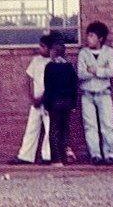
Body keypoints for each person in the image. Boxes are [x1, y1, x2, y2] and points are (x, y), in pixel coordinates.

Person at [77, 22, 113, 164]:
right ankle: (95, 154)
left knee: (108, 124)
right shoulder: (83, 53)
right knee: (90, 125)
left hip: (104, 93)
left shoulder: (109, 52)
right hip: (87, 94)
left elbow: (111, 72)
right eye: (88, 35)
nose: (88, 38)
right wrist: (101, 70)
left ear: (100, 38)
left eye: (92, 36)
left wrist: (94, 70)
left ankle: (109, 154)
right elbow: (81, 73)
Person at [13, 33, 54, 164]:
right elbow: (29, 79)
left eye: (43, 47)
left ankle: (47, 156)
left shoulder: (54, 62)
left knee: (49, 129)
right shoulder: (36, 60)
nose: (40, 49)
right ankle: (25, 156)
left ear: (50, 48)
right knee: (31, 128)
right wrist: (32, 97)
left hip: (49, 101)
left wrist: (42, 98)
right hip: (36, 101)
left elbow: (53, 84)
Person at [43, 38, 79, 165]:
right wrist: (74, 103)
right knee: (65, 129)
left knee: (54, 130)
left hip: (54, 103)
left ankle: (56, 159)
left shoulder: (49, 67)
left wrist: (46, 104)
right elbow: (74, 86)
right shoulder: (69, 67)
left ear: (53, 52)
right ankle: (65, 156)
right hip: (67, 102)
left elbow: (48, 87)